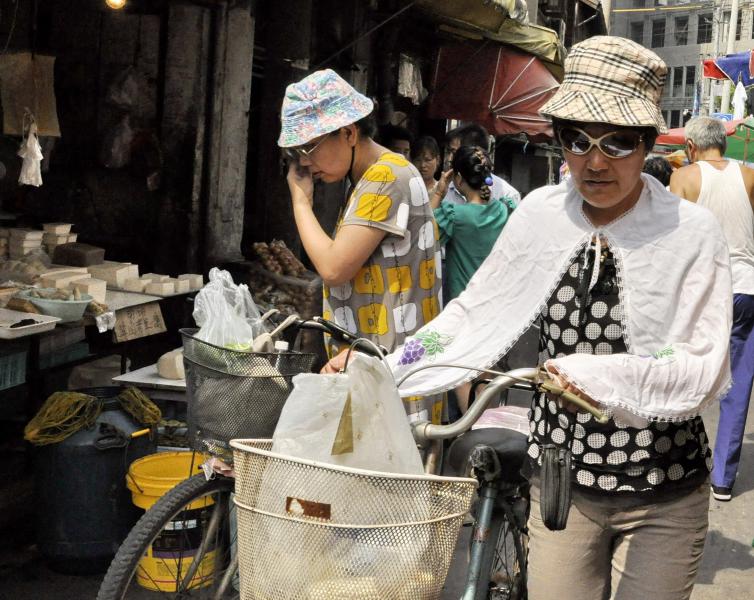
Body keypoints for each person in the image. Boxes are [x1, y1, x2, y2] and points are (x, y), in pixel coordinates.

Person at [326, 37, 732, 600]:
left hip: (663, 489)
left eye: (616, 142)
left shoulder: (691, 232)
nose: (594, 161)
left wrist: (595, 375)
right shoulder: (541, 216)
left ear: (645, 144)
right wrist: (387, 365)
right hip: (562, 486)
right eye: (576, 140)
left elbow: (699, 361)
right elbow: (472, 314)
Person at [279, 69, 443, 423]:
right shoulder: (367, 179)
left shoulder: (386, 177)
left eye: (308, 149)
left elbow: (334, 268)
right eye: (296, 152)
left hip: (390, 378)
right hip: (375, 370)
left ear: (349, 133)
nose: (304, 162)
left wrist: (301, 203)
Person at [670, 116, 754, 502]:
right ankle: (722, 479)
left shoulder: (684, 178)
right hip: (746, 289)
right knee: (737, 385)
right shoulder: (750, 176)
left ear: (691, 146)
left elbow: (671, 242)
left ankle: (675, 462)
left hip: (702, 291)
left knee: (685, 372)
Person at [432, 145, 515, 303]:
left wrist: (439, 192)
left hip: (462, 304)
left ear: (458, 178)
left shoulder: (453, 216)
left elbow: (425, 233)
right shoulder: (505, 210)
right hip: (494, 301)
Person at [435, 122, 521, 208]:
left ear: (475, 154)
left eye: (454, 153)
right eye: (448, 152)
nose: (449, 159)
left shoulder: (507, 195)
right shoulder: (441, 189)